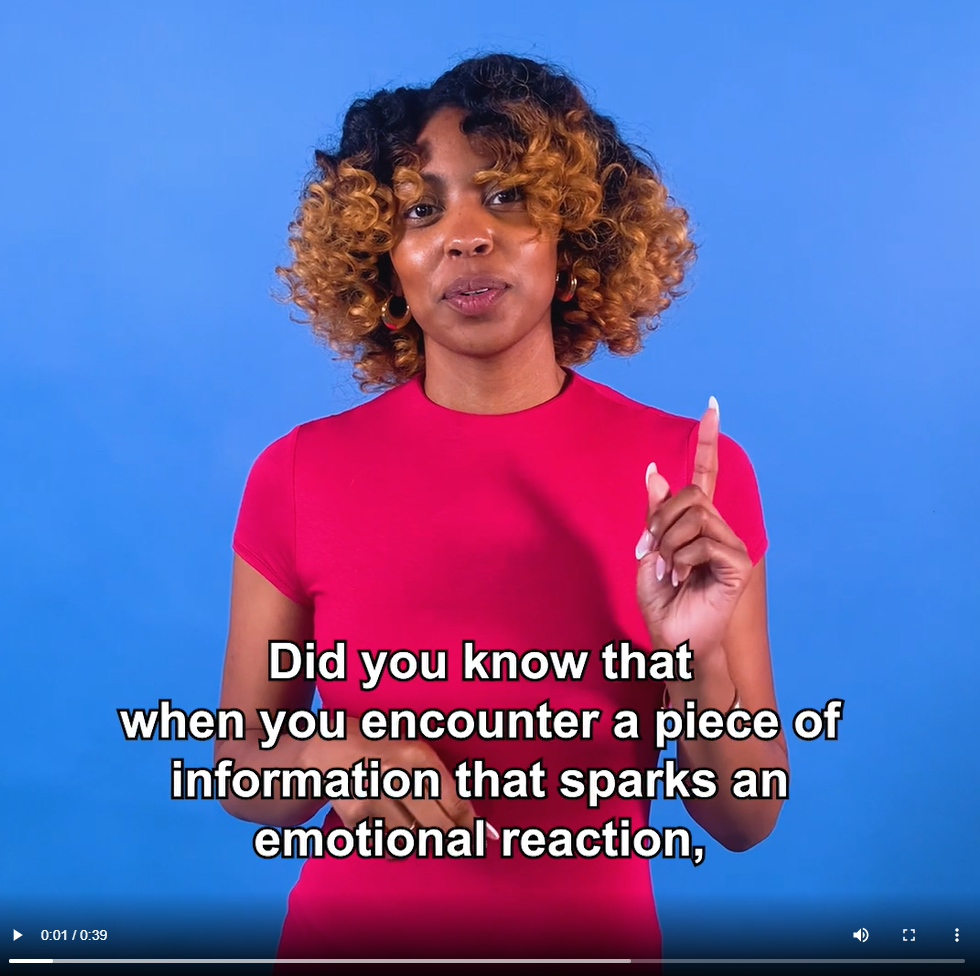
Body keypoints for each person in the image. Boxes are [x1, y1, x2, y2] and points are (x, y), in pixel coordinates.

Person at [216, 53, 787, 966]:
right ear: (384, 261)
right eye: (420, 209)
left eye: (508, 197)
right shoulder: (297, 473)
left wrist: (692, 657)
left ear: (574, 237)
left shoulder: (690, 481)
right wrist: (348, 755)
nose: (466, 238)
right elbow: (243, 771)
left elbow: (746, 819)